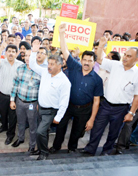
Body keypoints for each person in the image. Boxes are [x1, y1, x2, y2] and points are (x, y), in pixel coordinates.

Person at [49, 23, 103, 154]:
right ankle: (56, 146)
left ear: (94, 62)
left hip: (84, 109)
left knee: (77, 130)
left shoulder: (97, 79)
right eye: (84, 59)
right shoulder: (74, 66)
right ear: (81, 60)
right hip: (68, 105)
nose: (86, 62)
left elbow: (97, 101)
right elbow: (65, 51)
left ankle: (72, 148)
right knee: (61, 127)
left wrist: (91, 119)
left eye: (90, 61)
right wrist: (62, 33)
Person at [81, 37, 138, 156]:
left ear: (136, 59)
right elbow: (100, 59)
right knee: (97, 128)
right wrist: (101, 45)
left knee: (114, 132)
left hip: (121, 109)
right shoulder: (115, 65)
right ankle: (90, 149)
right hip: (105, 104)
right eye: (125, 55)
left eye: (129, 56)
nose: (125, 58)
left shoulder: (137, 74)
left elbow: (137, 96)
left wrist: (131, 113)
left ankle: (106, 151)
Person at [29, 43, 71, 160]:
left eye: (52, 64)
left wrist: (58, 117)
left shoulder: (64, 82)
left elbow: (64, 102)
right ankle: (41, 148)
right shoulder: (45, 73)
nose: (49, 66)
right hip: (41, 108)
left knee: (39, 132)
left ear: (60, 65)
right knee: (44, 132)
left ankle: (43, 153)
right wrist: (34, 51)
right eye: (48, 63)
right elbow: (32, 64)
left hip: (51, 111)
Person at [10, 48, 40, 150]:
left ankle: (32, 145)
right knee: (21, 122)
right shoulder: (20, 68)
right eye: (26, 56)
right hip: (19, 101)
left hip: (32, 103)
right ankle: (20, 138)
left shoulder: (39, 71)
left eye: (30, 56)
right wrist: (12, 100)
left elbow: (42, 90)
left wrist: (39, 105)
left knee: (32, 125)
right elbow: (15, 85)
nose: (27, 58)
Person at [0, 43, 23, 145]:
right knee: (3, 114)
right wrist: (1, 47)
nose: (11, 53)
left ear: (17, 53)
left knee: (13, 117)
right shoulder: (1, 62)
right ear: (5, 53)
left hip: (14, 97)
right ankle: (3, 127)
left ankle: (10, 135)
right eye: (9, 51)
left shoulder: (20, 65)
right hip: (2, 95)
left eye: (13, 52)